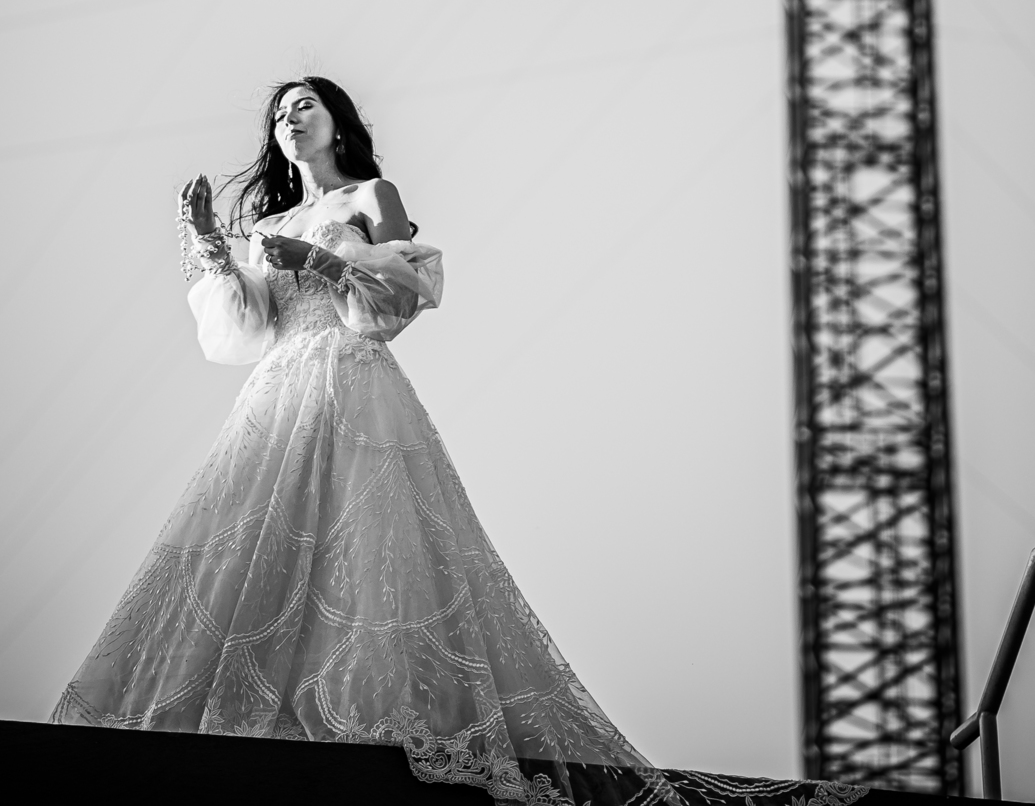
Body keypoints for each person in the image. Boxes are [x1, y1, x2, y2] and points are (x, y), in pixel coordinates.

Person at [51, 76, 676, 805]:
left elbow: (400, 298)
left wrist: (315, 259)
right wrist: (210, 244)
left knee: (368, 548)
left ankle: (371, 721)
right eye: (279, 114)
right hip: (278, 392)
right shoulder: (273, 218)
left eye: (304, 105)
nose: (290, 120)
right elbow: (247, 328)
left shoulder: (372, 196)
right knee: (254, 546)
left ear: (338, 123)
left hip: (353, 381)